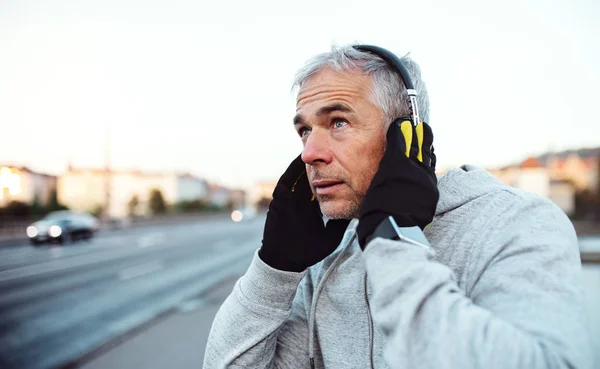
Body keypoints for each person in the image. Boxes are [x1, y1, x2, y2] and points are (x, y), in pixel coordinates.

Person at [203, 44, 593, 369]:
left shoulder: (516, 223)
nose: (309, 153)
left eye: (337, 122)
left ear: (407, 134)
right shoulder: (328, 256)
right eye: (305, 130)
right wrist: (275, 269)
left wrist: (393, 242)